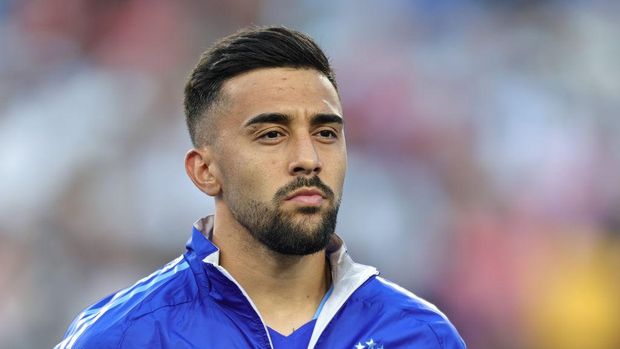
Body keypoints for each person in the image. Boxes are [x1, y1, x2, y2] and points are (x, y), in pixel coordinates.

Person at [55, 26, 466, 349]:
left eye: (325, 133)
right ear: (204, 171)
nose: (309, 157)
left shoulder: (420, 336)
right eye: (271, 134)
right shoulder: (123, 338)